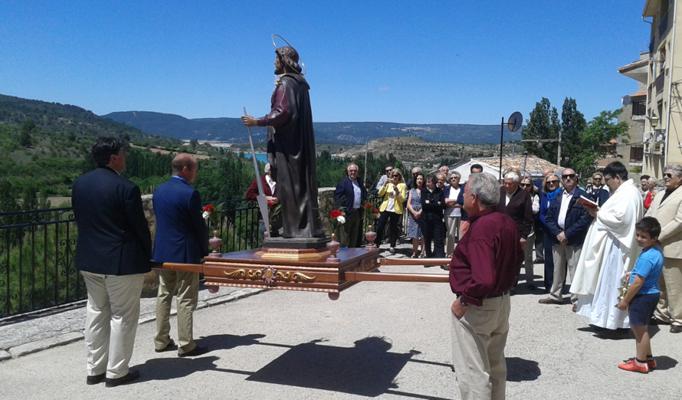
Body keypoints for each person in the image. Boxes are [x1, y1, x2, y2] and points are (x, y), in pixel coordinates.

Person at [72, 137, 151, 387]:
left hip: (89, 259)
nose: (125, 157)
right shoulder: (126, 188)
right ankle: (117, 372)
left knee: (95, 312)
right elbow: (139, 227)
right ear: (114, 158)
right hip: (121, 262)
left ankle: (94, 369)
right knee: (123, 316)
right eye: (123, 154)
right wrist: (147, 254)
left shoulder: (80, 184)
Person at [449, 172, 523, 400]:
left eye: (466, 191)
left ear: (476, 198)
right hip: (501, 302)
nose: (463, 195)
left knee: (474, 374)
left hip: (478, 305)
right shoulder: (506, 222)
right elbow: (517, 258)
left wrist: (463, 301)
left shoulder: (483, 228)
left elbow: (483, 278)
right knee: (495, 367)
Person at [241, 45, 324, 240]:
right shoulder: (301, 84)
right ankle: (304, 228)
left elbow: (283, 112)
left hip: (288, 148)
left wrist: (257, 122)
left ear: (284, 60)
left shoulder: (286, 83)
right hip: (299, 145)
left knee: (289, 188)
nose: (273, 62)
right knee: (300, 186)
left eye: (276, 58)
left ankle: (295, 230)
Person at [571, 161, 643, 330]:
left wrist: (598, 212)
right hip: (613, 244)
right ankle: (604, 320)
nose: (607, 184)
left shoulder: (628, 193)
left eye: (608, 180)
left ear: (617, 178)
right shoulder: (623, 192)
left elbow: (622, 220)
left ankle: (612, 322)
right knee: (607, 285)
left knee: (612, 285)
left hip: (618, 248)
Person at [152, 154, 209, 357]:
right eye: (194, 169)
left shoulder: (158, 190)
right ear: (185, 168)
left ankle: (161, 339)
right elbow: (198, 227)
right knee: (185, 297)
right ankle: (186, 344)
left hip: (162, 251)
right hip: (184, 253)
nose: (196, 173)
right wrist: (205, 250)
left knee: (164, 294)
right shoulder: (190, 194)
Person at [616, 217, 664, 373]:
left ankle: (640, 362)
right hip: (652, 294)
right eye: (638, 235)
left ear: (654, 238)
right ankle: (648, 358)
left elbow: (638, 282)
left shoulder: (647, 256)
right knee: (643, 328)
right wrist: (633, 273)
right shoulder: (656, 251)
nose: (639, 239)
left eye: (644, 237)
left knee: (639, 330)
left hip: (643, 295)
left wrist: (625, 300)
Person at [539, 168, 593, 306]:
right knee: (557, 269)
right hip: (557, 239)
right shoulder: (557, 196)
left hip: (574, 239)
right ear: (562, 180)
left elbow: (586, 218)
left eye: (571, 176)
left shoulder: (584, 196)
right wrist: (558, 233)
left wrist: (567, 234)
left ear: (576, 179)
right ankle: (555, 295)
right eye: (565, 177)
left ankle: (576, 299)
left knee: (574, 269)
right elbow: (549, 218)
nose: (568, 179)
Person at [644, 164, 682, 333]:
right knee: (659, 284)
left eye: (669, 175)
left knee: (675, 286)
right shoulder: (659, 194)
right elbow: (650, 213)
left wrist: (657, 237)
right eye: (664, 174)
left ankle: (678, 318)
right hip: (655, 246)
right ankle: (662, 314)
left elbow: (679, 221)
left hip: (673, 247)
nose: (665, 177)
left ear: (680, 178)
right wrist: (644, 230)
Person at [333, 162, 368, 247]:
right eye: (351, 171)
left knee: (354, 236)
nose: (353, 172)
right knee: (344, 237)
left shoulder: (359, 182)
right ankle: (344, 256)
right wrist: (340, 211)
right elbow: (337, 198)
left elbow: (364, 194)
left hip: (356, 213)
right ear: (347, 172)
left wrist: (363, 204)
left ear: (357, 172)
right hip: (346, 213)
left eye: (355, 171)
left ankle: (352, 255)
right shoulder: (343, 183)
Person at [244, 162, 280, 238]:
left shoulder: (278, 181)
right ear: (269, 171)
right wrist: (265, 198)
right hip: (264, 219)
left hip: (278, 221)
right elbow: (248, 194)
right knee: (266, 245)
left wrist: (278, 199)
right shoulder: (259, 181)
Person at [375, 168, 407, 254]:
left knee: (393, 228)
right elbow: (380, 194)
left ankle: (392, 245)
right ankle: (377, 244)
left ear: (399, 176)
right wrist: (385, 184)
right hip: (385, 208)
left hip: (395, 209)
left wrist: (397, 190)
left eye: (396, 175)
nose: (394, 177)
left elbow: (402, 199)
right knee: (380, 226)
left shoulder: (402, 185)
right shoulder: (388, 184)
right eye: (392, 175)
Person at [540, 174, 562, 291]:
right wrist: (549, 226)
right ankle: (549, 284)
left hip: (560, 231)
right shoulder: (545, 196)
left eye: (553, 181)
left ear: (558, 182)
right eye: (548, 182)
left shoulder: (562, 194)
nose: (551, 184)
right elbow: (542, 214)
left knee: (560, 260)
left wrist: (557, 229)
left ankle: (559, 285)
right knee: (549, 259)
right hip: (548, 231)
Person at [520, 176, 540, 287]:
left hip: (529, 231)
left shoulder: (534, 197)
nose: (525, 187)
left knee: (528, 257)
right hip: (516, 230)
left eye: (527, 185)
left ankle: (530, 281)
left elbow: (535, 210)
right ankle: (512, 282)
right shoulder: (515, 197)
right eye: (522, 184)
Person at [421, 175, 446, 258]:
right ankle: (428, 257)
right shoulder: (424, 191)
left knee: (438, 239)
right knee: (427, 239)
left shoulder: (440, 191)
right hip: (426, 219)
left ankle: (440, 258)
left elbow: (442, 204)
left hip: (437, 219)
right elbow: (424, 205)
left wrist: (430, 203)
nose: (427, 182)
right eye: (427, 180)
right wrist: (436, 203)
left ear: (434, 182)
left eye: (430, 180)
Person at [406, 172, 425, 258]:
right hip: (413, 214)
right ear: (415, 180)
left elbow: (426, 203)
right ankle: (414, 252)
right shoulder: (411, 191)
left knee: (423, 234)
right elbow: (408, 204)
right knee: (415, 235)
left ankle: (423, 252)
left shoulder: (425, 190)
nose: (419, 180)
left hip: (423, 213)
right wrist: (414, 212)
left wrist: (420, 212)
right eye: (418, 179)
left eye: (421, 179)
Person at [444, 172, 463, 256]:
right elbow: (446, 202)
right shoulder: (447, 189)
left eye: (455, 177)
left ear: (459, 179)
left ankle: (460, 255)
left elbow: (464, 201)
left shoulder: (463, 188)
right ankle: (449, 254)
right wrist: (458, 201)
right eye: (451, 178)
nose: (453, 179)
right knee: (450, 235)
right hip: (449, 215)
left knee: (461, 236)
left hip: (462, 215)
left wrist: (453, 201)